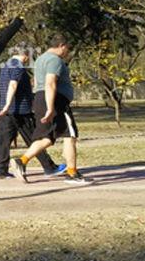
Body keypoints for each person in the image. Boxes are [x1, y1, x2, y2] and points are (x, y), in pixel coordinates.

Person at [12, 34, 92, 184]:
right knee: (70, 135)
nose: (68, 51)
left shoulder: (40, 59)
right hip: (55, 101)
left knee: (47, 138)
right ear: (62, 45)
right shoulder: (54, 60)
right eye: (67, 48)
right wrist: (50, 108)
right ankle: (72, 173)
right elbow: (50, 83)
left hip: (40, 98)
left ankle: (21, 161)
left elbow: (38, 82)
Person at [0, 46, 66, 179]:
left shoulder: (6, 65)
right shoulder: (18, 67)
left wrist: (5, 106)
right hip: (21, 111)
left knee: (3, 140)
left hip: (7, 112)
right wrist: (8, 104)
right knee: (34, 139)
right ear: (26, 55)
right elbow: (13, 85)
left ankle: (1, 169)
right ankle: (49, 167)